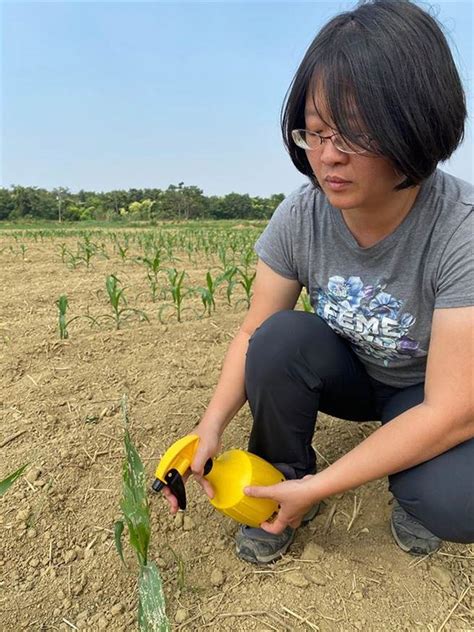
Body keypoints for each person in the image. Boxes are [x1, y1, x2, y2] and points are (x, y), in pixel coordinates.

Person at [163, 0, 474, 564]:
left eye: (353, 136)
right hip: (353, 374)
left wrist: (326, 485)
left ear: (417, 126)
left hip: (426, 390)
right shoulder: (302, 215)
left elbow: (454, 407)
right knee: (278, 338)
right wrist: (210, 427)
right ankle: (279, 487)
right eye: (316, 134)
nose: (328, 158)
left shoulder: (462, 229)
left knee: (455, 500)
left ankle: (412, 489)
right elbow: (253, 330)